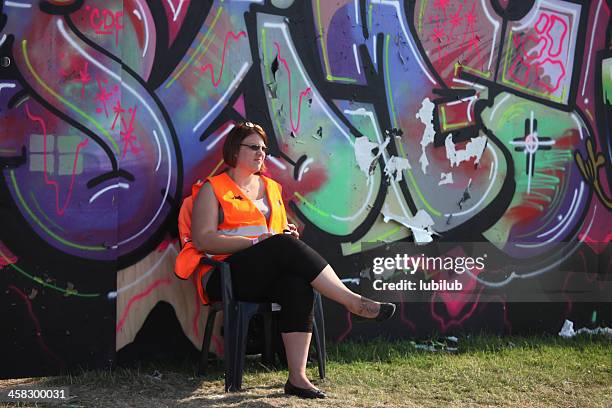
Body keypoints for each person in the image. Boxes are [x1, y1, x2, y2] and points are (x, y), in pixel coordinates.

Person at [190, 121, 396, 399]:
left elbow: (277, 232)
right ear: (234, 151)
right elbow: (203, 240)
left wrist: (286, 233)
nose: (261, 153)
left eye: (263, 148)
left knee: (297, 284)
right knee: (280, 245)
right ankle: (351, 300)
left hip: (267, 271)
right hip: (227, 274)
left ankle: (297, 378)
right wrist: (256, 242)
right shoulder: (212, 188)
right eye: (253, 147)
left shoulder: (271, 188)